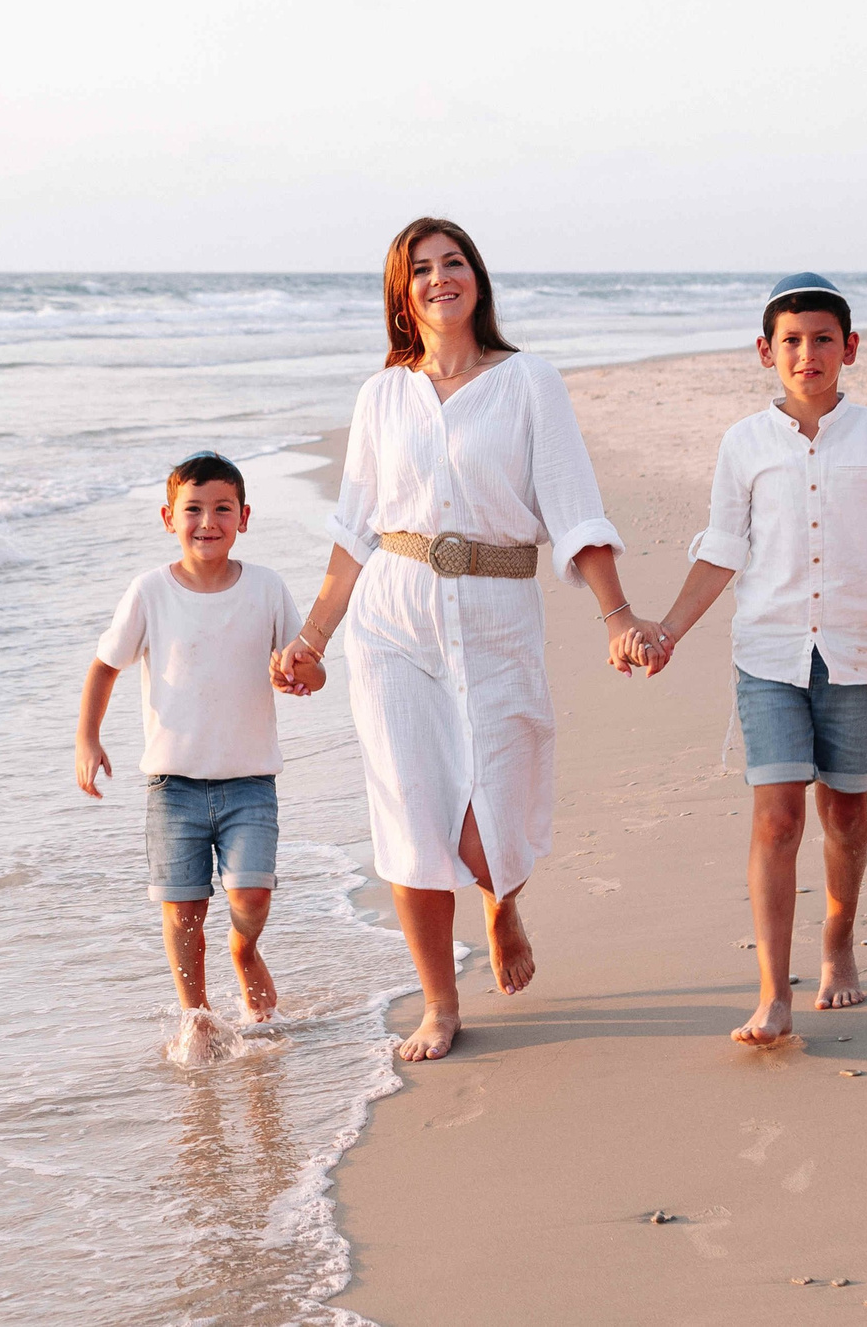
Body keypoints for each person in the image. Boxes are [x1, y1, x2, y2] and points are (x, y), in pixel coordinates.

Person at [271, 217, 669, 1062]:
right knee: (411, 817)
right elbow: (354, 534)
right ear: (400, 292)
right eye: (421, 269)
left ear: (477, 281)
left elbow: (574, 507)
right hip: (391, 620)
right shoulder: (382, 395)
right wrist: (311, 637)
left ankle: (500, 901)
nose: (439, 278)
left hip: (497, 611)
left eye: (454, 263)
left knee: (493, 830)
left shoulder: (528, 381)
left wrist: (618, 614)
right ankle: (440, 1004)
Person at [641, 273, 867, 1046]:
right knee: (777, 819)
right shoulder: (742, 444)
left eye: (822, 339)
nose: (806, 354)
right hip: (769, 654)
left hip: (855, 649)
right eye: (791, 340)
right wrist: (668, 628)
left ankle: (838, 942)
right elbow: (721, 550)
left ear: (850, 347)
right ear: (764, 350)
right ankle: (773, 992)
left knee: (844, 814)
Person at [76, 452, 324, 1065]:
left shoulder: (266, 587)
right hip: (173, 785)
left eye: (221, 509)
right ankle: (198, 1014)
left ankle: (244, 950)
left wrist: (298, 676)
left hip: (249, 781)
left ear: (244, 517)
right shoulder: (150, 592)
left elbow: (308, 667)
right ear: (168, 517)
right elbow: (105, 666)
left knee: (251, 898)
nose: (206, 521)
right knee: (184, 908)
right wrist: (88, 738)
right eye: (193, 509)